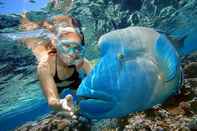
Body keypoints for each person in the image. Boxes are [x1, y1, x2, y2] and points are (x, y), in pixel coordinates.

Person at [20, 14, 92, 112]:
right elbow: (52, 100)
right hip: (55, 83)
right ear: (55, 43)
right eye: (66, 46)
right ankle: (23, 16)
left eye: (76, 48)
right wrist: (60, 105)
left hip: (73, 82)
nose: (71, 54)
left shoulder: (80, 60)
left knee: (84, 97)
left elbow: (96, 80)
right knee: (29, 31)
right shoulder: (45, 66)